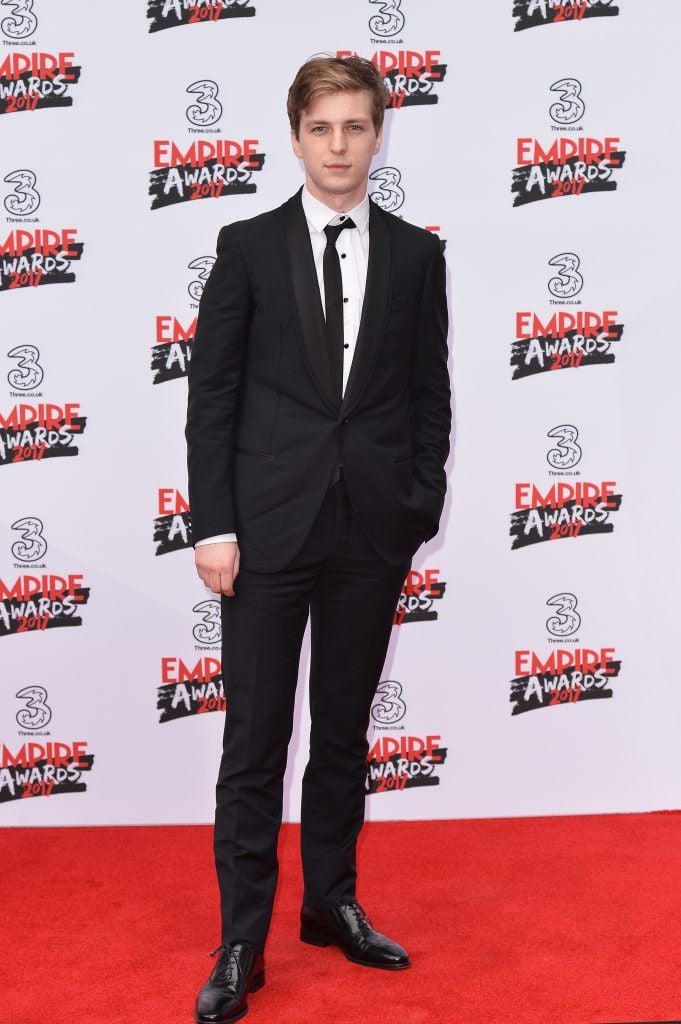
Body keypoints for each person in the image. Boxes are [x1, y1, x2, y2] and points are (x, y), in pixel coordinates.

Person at [185, 53, 451, 1024]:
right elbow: (211, 397)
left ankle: (330, 903)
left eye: (356, 127)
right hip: (262, 532)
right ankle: (241, 941)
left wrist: (415, 506)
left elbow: (430, 396)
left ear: (379, 135)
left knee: (341, 732)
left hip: (370, 533)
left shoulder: (420, 255)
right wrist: (212, 522)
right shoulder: (247, 246)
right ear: (295, 136)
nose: (339, 146)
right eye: (321, 128)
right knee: (255, 740)